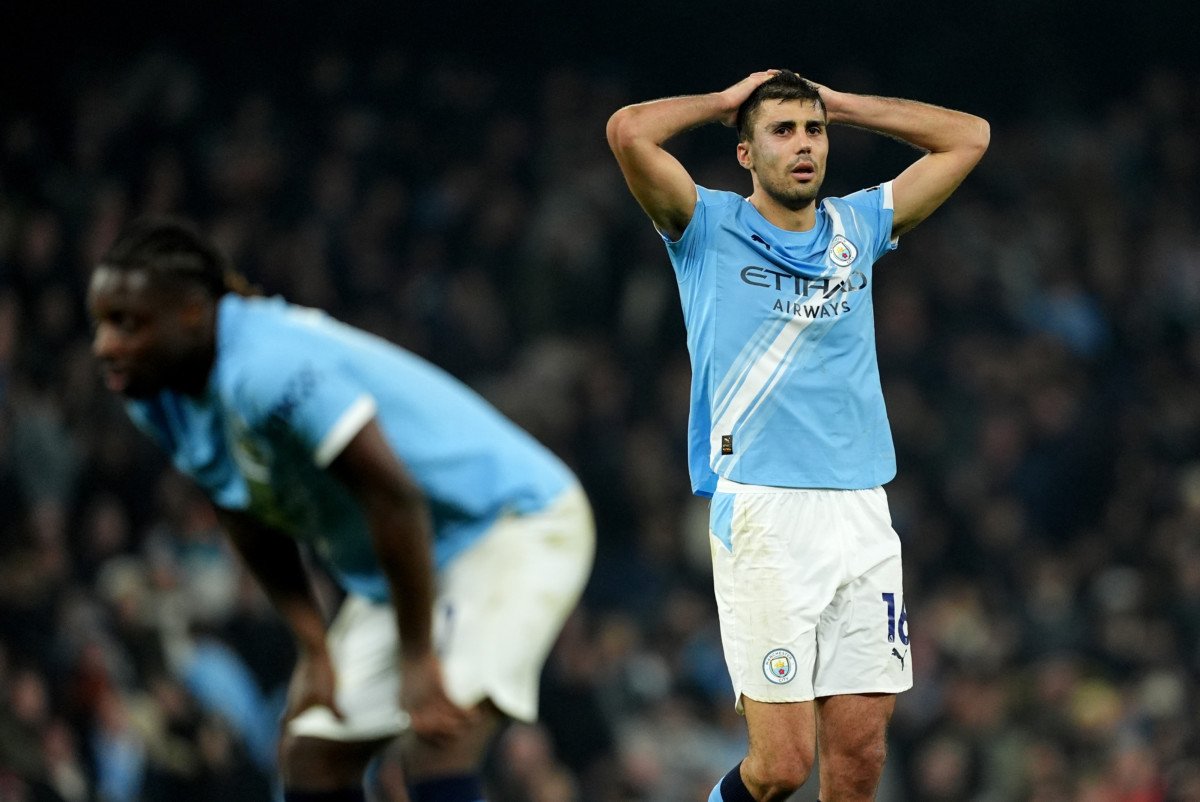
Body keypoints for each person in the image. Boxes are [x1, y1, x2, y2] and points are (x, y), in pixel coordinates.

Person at [87, 217, 596, 802]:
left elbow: (393, 496)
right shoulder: (158, 395)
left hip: (510, 522)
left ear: (192, 314)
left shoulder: (265, 368)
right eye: (101, 323)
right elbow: (241, 506)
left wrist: (418, 659)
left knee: (437, 734)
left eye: (128, 324)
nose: (105, 345)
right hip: (411, 562)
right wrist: (313, 646)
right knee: (312, 755)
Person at [606, 70, 989, 801]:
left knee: (861, 757)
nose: (803, 144)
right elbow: (628, 131)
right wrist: (726, 103)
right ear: (746, 153)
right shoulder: (704, 225)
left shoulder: (858, 225)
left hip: (862, 509)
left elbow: (970, 137)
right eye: (781, 131)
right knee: (782, 766)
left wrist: (841, 104)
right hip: (765, 511)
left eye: (813, 130)